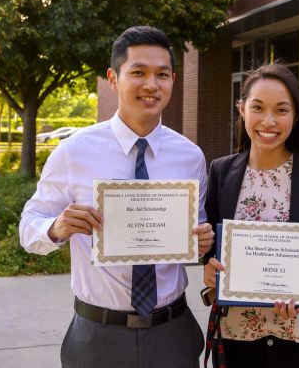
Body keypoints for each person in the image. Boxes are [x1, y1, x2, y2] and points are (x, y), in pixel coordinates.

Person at [20, 26, 214, 368]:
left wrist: (201, 242)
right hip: (97, 335)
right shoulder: (73, 152)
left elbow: (194, 231)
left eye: (162, 74)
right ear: (113, 78)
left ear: (173, 80)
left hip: (172, 332)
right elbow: (28, 228)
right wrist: (56, 227)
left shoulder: (190, 156)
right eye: (138, 72)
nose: (151, 85)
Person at [202, 62, 299, 368]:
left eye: (281, 110)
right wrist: (209, 273)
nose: (268, 121)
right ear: (242, 109)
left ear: (295, 115)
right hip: (236, 339)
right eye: (258, 107)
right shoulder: (221, 171)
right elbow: (212, 246)